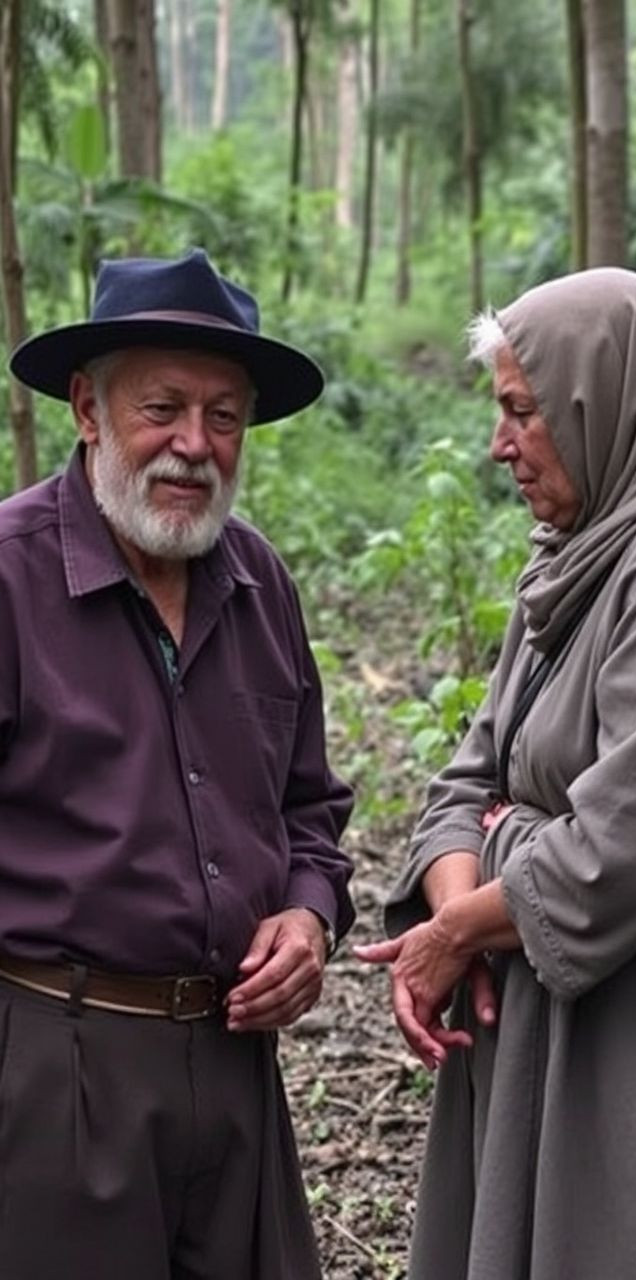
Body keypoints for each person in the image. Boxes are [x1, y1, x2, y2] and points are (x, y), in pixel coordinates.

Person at [356, 267, 636, 1280]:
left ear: (605, 401)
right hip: (533, 1025)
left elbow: (634, 853)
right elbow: (463, 780)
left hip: (635, 1052)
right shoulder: (570, 556)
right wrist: (467, 903)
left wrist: (458, 925)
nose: (499, 443)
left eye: (522, 410)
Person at [1, 246, 354, 1280]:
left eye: (225, 416)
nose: (194, 445)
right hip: (56, 1072)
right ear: (86, 408)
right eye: (162, 407)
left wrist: (306, 911)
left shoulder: (258, 580)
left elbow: (310, 808)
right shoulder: (11, 580)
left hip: (239, 1072)